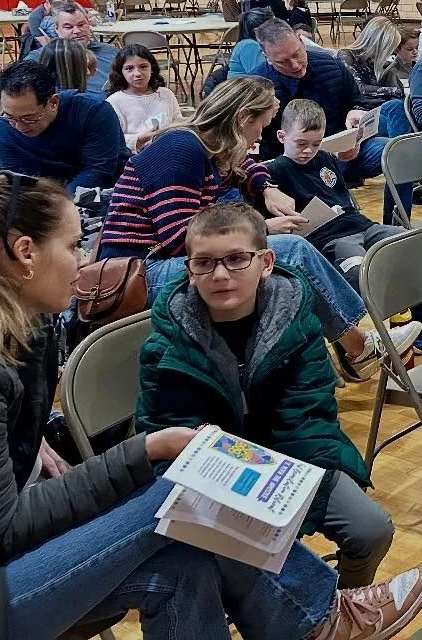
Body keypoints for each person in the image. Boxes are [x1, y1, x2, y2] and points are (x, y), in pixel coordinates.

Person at [0, 173, 422, 639]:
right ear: (26, 252)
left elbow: (309, 419)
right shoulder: (159, 335)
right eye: (74, 246)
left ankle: (316, 620)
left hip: (271, 465)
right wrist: (147, 449)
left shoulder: (33, 332)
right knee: (184, 492)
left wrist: (34, 435)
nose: (85, 262)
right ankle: (321, 618)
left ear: (265, 263)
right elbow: (9, 526)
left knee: (186, 562)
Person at [136, 202, 393, 588]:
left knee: (371, 530)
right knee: (239, 567)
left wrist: (284, 499)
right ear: (189, 271)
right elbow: (168, 436)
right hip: (214, 480)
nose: (220, 274)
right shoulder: (165, 346)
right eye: (204, 263)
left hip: (292, 461)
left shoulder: (299, 323)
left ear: (267, 262)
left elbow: (309, 419)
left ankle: (345, 610)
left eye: (237, 259)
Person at [98, 76, 420, 382]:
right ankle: (358, 348)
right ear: (242, 120)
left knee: (280, 269)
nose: (259, 138)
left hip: (163, 264)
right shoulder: (180, 149)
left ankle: (314, 362)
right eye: (261, 126)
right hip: (141, 272)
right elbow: (179, 238)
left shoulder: (204, 148)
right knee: (288, 252)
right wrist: (262, 229)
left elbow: (243, 165)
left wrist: (266, 187)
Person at [268, 99, 405, 287]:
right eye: (301, 143)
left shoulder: (324, 157)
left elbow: (342, 194)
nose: (308, 150)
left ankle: (416, 314)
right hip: (331, 237)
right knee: (359, 271)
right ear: (282, 137)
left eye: (316, 144)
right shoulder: (276, 170)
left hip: (360, 225)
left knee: (409, 244)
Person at [253, 19, 376, 180]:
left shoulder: (332, 66)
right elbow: (257, 144)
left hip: (344, 151)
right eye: (283, 62)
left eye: (297, 54)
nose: (295, 65)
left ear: (301, 41)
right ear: (267, 57)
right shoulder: (257, 87)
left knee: (392, 151)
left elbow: (358, 101)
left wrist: (357, 112)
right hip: (291, 167)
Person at [0, 61, 124, 191]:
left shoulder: (93, 112)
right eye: (10, 117)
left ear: (53, 102)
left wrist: (58, 206)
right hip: (39, 198)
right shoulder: (4, 127)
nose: (19, 126)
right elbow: (18, 181)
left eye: (29, 118)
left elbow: (97, 172)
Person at [25, 0, 115, 95]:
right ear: (57, 29)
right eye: (68, 27)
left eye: (81, 25)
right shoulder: (41, 57)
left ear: (89, 24)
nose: (77, 31)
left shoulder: (111, 52)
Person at [105, 42, 182, 150]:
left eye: (143, 67)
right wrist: (139, 139)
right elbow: (111, 139)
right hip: (133, 158)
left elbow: (178, 122)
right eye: (129, 68)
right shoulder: (114, 102)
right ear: (121, 72)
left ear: (152, 69)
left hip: (168, 151)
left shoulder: (166, 94)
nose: (137, 73)